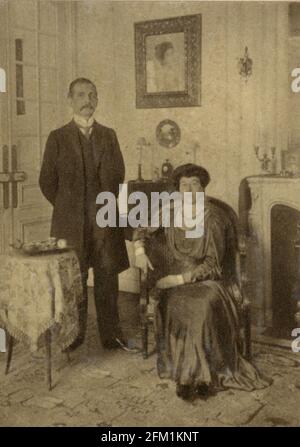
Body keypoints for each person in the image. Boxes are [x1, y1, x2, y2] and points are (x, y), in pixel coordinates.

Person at [134, 163, 272, 400]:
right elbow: (141, 230)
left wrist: (176, 279)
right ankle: (189, 375)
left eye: (194, 185)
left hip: (209, 282)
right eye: (183, 185)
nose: (188, 190)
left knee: (201, 307)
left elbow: (213, 266)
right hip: (174, 285)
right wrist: (139, 250)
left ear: (202, 189)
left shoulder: (214, 217)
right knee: (177, 305)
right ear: (177, 189)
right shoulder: (169, 211)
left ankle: (204, 376)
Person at [39, 78, 130, 352]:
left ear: (97, 100)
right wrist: (70, 208)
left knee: (106, 278)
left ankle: (111, 336)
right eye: (80, 95)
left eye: (92, 95)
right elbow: (47, 181)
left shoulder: (109, 135)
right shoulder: (57, 137)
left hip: (104, 221)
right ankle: (73, 335)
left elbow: (119, 175)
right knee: (73, 280)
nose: (87, 100)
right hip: (70, 224)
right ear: (70, 99)